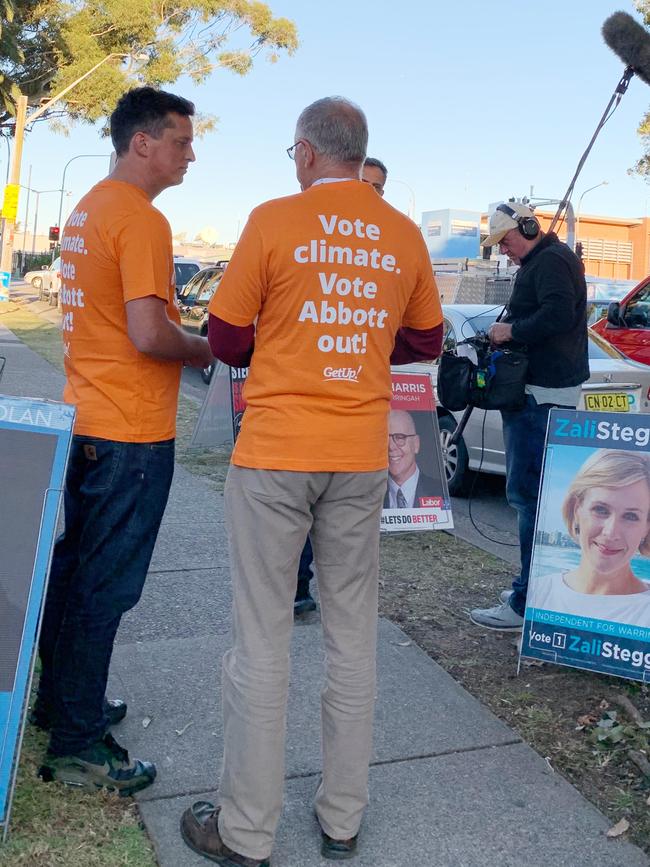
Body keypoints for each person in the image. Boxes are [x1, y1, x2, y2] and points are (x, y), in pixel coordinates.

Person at [179, 96, 443, 865]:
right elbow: (425, 338)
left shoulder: (274, 219)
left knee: (261, 637)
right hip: (359, 453)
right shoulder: (400, 233)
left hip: (274, 452)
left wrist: (293, 341)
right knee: (352, 635)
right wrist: (357, 353)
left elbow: (226, 338)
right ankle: (341, 817)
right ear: (360, 156)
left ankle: (247, 829)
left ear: (304, 153)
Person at [35, 87, 213, 795]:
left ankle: (61, 703)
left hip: (87, 421)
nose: (190, 153)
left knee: (76, 577)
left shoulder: (90, 209)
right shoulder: (139, 220)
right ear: (143, 142)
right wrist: (204, 349)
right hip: (131, 434)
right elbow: (147, 332)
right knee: (103, 589)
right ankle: (77, 743)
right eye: (180, 140)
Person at [469, 202, 589, 632]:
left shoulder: (553, 261)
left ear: (529, 227)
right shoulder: (545, 260)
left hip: (541, 397)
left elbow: (558, 315)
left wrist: (511, 331)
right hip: (536, 393)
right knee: (531, 497)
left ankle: (525, 603)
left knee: (529, 497)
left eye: (506, 240)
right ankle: (530, 586)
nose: (503, 250)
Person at [293, 155, 389, 615]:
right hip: (297, 432)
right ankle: (297, 587)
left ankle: (305, 589)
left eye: (379, 189)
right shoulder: (298, 232)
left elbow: (422, 334)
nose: (369, 195)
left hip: (355, 439)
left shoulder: (391, 242)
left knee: (349, 580)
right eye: (364, 183)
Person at [529, 449, 650, 626]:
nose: (611, 532)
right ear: (577, 509)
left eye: (631, 516)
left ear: (646, 527)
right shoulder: (538, 592)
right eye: (601, 510)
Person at [384, 409, 441, 508]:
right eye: (384, 438)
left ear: (416, 444)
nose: (390, 446)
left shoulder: (439, 491)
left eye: (399, 437)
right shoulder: (368, 494)